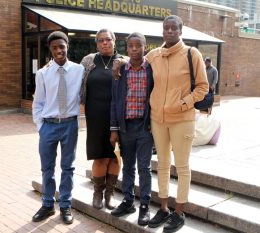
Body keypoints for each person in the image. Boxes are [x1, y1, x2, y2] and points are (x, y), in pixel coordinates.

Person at [112, 15, 209, 232]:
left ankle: (178, 212)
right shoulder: (155, 55)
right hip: (157, 119)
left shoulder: (192, 54)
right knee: (163, 165)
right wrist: (121, 61)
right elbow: (136, 60)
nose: (170, 31)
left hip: (182, 119)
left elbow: (203, 87)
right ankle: (164, 208)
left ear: (180, 31)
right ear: (162, 31)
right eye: (166, 28)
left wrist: (184, 104)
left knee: (182, 166)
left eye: (174, 28)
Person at [32, 31, 84, 224]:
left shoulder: (79, 70)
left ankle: (65, 205)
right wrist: (40, 126)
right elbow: (38, 102)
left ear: (67, 46)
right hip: (49, 126)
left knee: (68, 167)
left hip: (70, 124)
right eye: (55, 48)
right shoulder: (43, 73)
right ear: (51, 50)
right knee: (47, 168)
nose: (59, 50)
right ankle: (47, 205)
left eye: (62, 46)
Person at [109, 32, 154, 226]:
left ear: (145, 47)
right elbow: (115, 101)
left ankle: (144, 204)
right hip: (125, 126)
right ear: (126, 48)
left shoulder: (152, 69)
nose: (134, 49)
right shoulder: (120, 71)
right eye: (130, 46)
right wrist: (114, 128)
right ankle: (128, 201)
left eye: (138, 45)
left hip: (145, 126)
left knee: (144, 167)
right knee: (128, 166)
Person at [80, 29, 124, 210]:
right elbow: (76, 82)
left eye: (108, 39)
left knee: (114, 157)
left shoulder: (124, 62)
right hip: (96, 117)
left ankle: (110, 193)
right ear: (96, 43)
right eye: (100, 40)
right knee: (99, 157)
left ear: (114, 41)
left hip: (119, 117)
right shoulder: (88, 61)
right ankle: (97, 192)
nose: (104, 43)